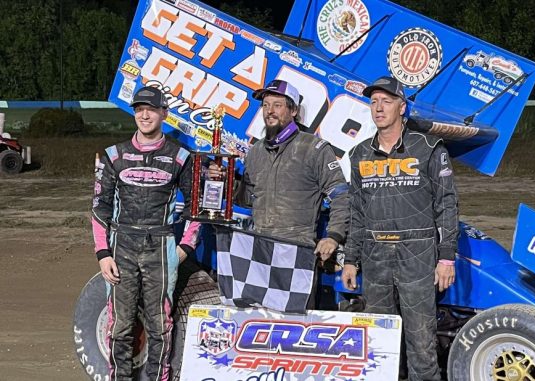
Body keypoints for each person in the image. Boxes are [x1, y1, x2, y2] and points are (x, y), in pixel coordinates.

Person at [341, 76, 459, 381]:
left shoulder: (430, 148)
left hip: (417, 253)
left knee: (421, 340)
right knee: (380, 340)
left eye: (387, 101)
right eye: (374, 102)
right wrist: (351, 259)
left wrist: (446, 258)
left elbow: (447, 205)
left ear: (402, 107)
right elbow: (356, 212)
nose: (378, 108)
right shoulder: (359, 155)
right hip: (375, 254)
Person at [92, 86, 200, 381]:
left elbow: (197, 208)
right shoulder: (114, 155)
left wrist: (184, 248)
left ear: (164, 113)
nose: (145, 114)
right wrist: (103, 254)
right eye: (139, 109)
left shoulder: (181, 156)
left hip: (161, 246)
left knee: (159, 324)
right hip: (121, 246)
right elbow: (99, 207)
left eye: (151, 109)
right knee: (120, 324)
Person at [211, 79, 349, 308]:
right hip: (258, 249)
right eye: (265, 105)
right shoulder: (255, 151)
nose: (269, 111)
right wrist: (224, 183)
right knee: (258, 321)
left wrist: (333, 236)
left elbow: (341, 195)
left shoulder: (314, 147)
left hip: (296, 251)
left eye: (277, 105)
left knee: (295, 325)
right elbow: (246, 199)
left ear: (293, 110)